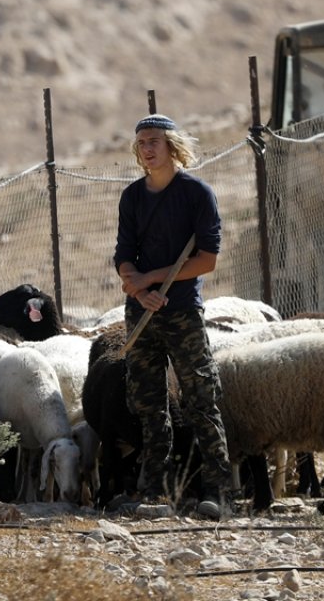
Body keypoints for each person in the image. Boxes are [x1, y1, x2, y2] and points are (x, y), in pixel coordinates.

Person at [113, 113, 233, 519]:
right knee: (148, 405)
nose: (147, 149)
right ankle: (153, 492)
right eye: (142, 142)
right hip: (142, 312)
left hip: (180, 311)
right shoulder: (132, 197)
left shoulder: (196, 194)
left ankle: (217, 491)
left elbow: (206, 260)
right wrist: (139, 287)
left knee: (201, 399)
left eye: (154, 142)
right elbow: (123, 257)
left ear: (171, 147)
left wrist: (153, 279)